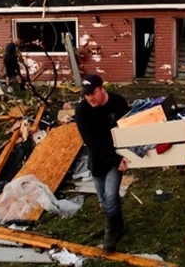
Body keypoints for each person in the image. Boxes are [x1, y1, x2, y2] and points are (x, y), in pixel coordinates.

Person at [75, 74, 131, 253]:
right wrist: (111, 158)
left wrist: (121, 158)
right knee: (104, 200)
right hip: (98, 159)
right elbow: (91, 141)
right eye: (86, 94)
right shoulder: (82, 110)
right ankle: (119, 226)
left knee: (110, 196)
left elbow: (129, 128)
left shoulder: (118, 102)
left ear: (102, 88)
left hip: (117, 158)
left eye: (93, 93)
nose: (90, 97)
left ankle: (110, 235)